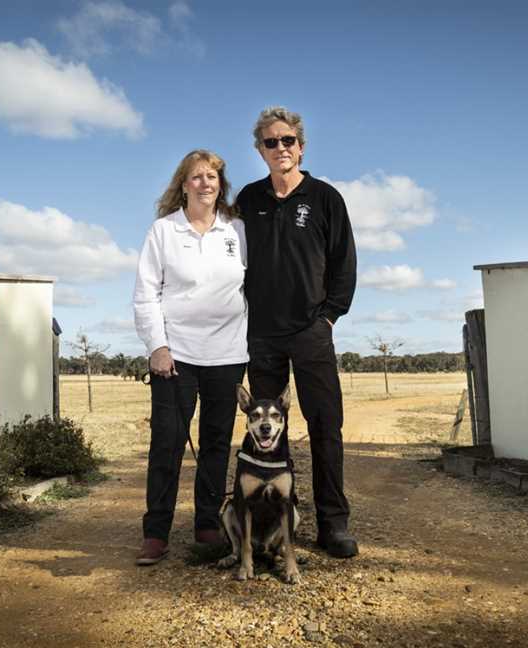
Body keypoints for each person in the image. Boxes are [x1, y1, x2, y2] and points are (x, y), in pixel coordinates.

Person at [235, 107, 358, 558]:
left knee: (326, 426)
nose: (280, 148)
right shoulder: (248, 201)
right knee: (266, 433)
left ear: (300, 146)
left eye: (287, 141)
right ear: (260, 151)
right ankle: (269, 521)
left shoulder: (326, 198)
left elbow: (344, 262)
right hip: (262, 335)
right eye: (271, 142)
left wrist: (328, 317)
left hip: (311, 330)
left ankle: (333, 522)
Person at [132, 150, 248, 565]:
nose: (205, 183)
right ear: (182, 185)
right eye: (196, 177)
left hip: (228, 354)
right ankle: (156, 532)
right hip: (176, 357)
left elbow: (250, 287)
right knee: (167, 443)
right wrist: (157, 348)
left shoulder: (236, 230)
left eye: (212, 176)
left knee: (216, 444)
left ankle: (206, 524)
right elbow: (146, 293)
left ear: (221, 184)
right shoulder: (163, 231)